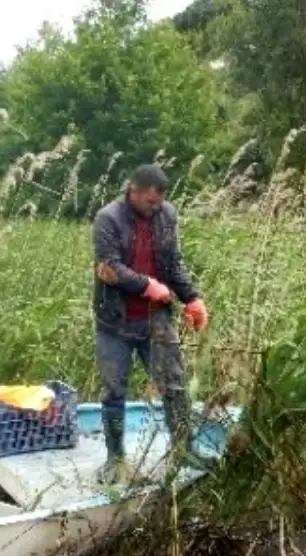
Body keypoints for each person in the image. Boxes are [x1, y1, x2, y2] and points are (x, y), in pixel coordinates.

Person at [91, 164, 212, 484]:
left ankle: (185, 449)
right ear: (133, 190)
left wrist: (192, 298)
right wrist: (148, 285)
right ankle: (115, 459)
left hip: (155, 318)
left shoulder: (166, 216)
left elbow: (173, 262)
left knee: (175, 384)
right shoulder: (108, 219)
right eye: (149, 202)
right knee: (114, 390)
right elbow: (110, 267)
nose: (154, 208)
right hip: (115, 321)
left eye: (159, 202)